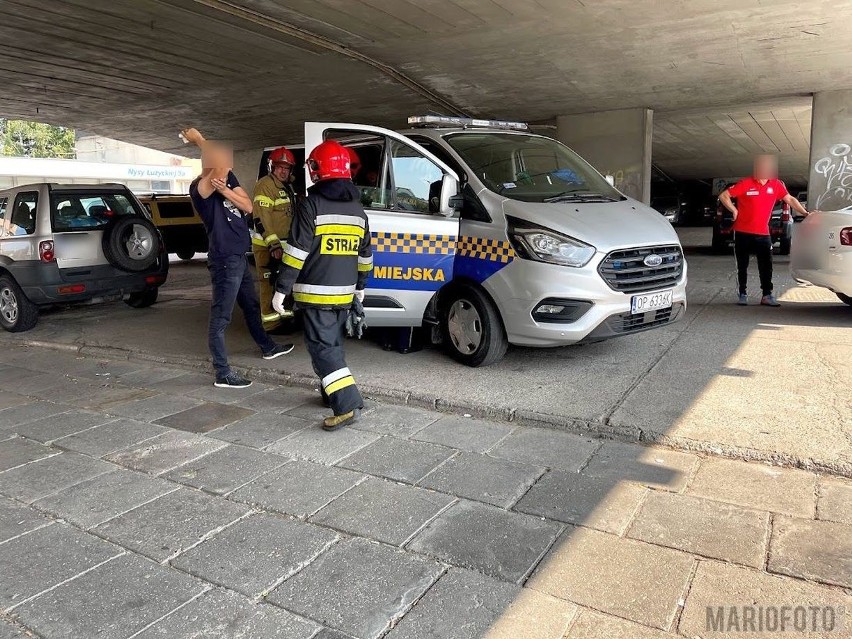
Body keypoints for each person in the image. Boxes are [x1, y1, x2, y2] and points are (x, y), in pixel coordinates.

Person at [272, 139, 373, 430]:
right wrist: (360, 287)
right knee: (333, 345)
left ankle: (347, 404)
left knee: (322, 349)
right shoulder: (357, 210)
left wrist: (282, 289)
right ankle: (332, 392)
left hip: (315, 295)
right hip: (344, 295)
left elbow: (297, 252)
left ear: (319, 170)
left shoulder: (311, 205)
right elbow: (365, 254)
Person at [182, 128, 293, 388]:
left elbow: (247, 205)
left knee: (251, 307)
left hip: (238, 258)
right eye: (219, 159)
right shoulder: (199, 189)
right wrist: (198, 140)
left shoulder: (226, 181)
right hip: (224, 259)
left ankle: (267, 347)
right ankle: (222, 373)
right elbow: (220, 164)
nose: (225, 163)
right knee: (221, 317)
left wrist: (226, 191)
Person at [719, 155, 814, 307]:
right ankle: (742, 293)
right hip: (742, 231)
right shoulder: (745, 183)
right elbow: (724, 196)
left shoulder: (776, 185)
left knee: (766, 265)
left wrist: (805, 213)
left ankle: (767, 295)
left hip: (763, 233)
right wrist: (734, 210)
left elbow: (790, 199)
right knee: (742, 265)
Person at [252, 147, 297, 332]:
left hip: (284, 247)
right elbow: (261, 218)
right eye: (279, 167)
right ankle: (271, 324)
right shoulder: (265, 185)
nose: (283, 171)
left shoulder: (286, 186)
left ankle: (284, 318)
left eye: (287, 168)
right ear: (272, 167)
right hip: (268, 247)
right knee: (269, 285)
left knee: (283, 284)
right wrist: (273, 245)